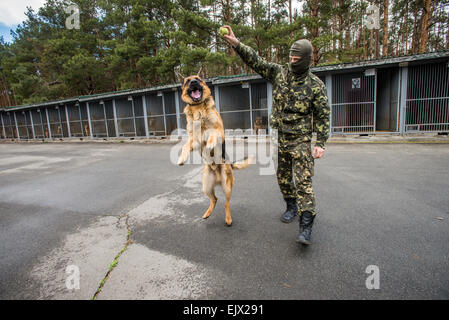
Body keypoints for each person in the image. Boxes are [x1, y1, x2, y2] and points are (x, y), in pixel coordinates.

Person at [222, 25, 330, 245]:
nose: (292, 60)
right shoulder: (279, 73)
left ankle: (306, 225)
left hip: (300, 139)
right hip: (279, 137)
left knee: (303, 181)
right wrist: (236, 44)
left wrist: (320, 142)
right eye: (291, 56)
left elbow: (323, 115)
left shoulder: (316, 86)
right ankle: (291, 206)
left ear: (307, 59)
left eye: (297, 57)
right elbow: (256, 60)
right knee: (282, 177)